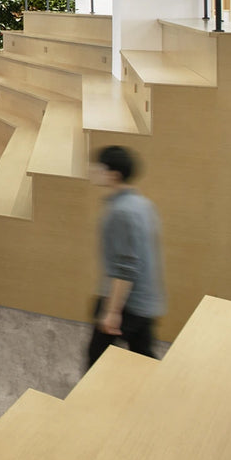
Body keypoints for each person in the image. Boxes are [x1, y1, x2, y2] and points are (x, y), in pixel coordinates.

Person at [87, 145, 166, 368]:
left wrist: (112, 311)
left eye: (98, 167)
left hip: (128, 304)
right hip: (146, 300)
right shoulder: (142, 204)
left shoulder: (120, 212)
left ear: (114, 175)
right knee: (142, 355)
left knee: (96, 358)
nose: (92, 170)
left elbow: (125, 267)